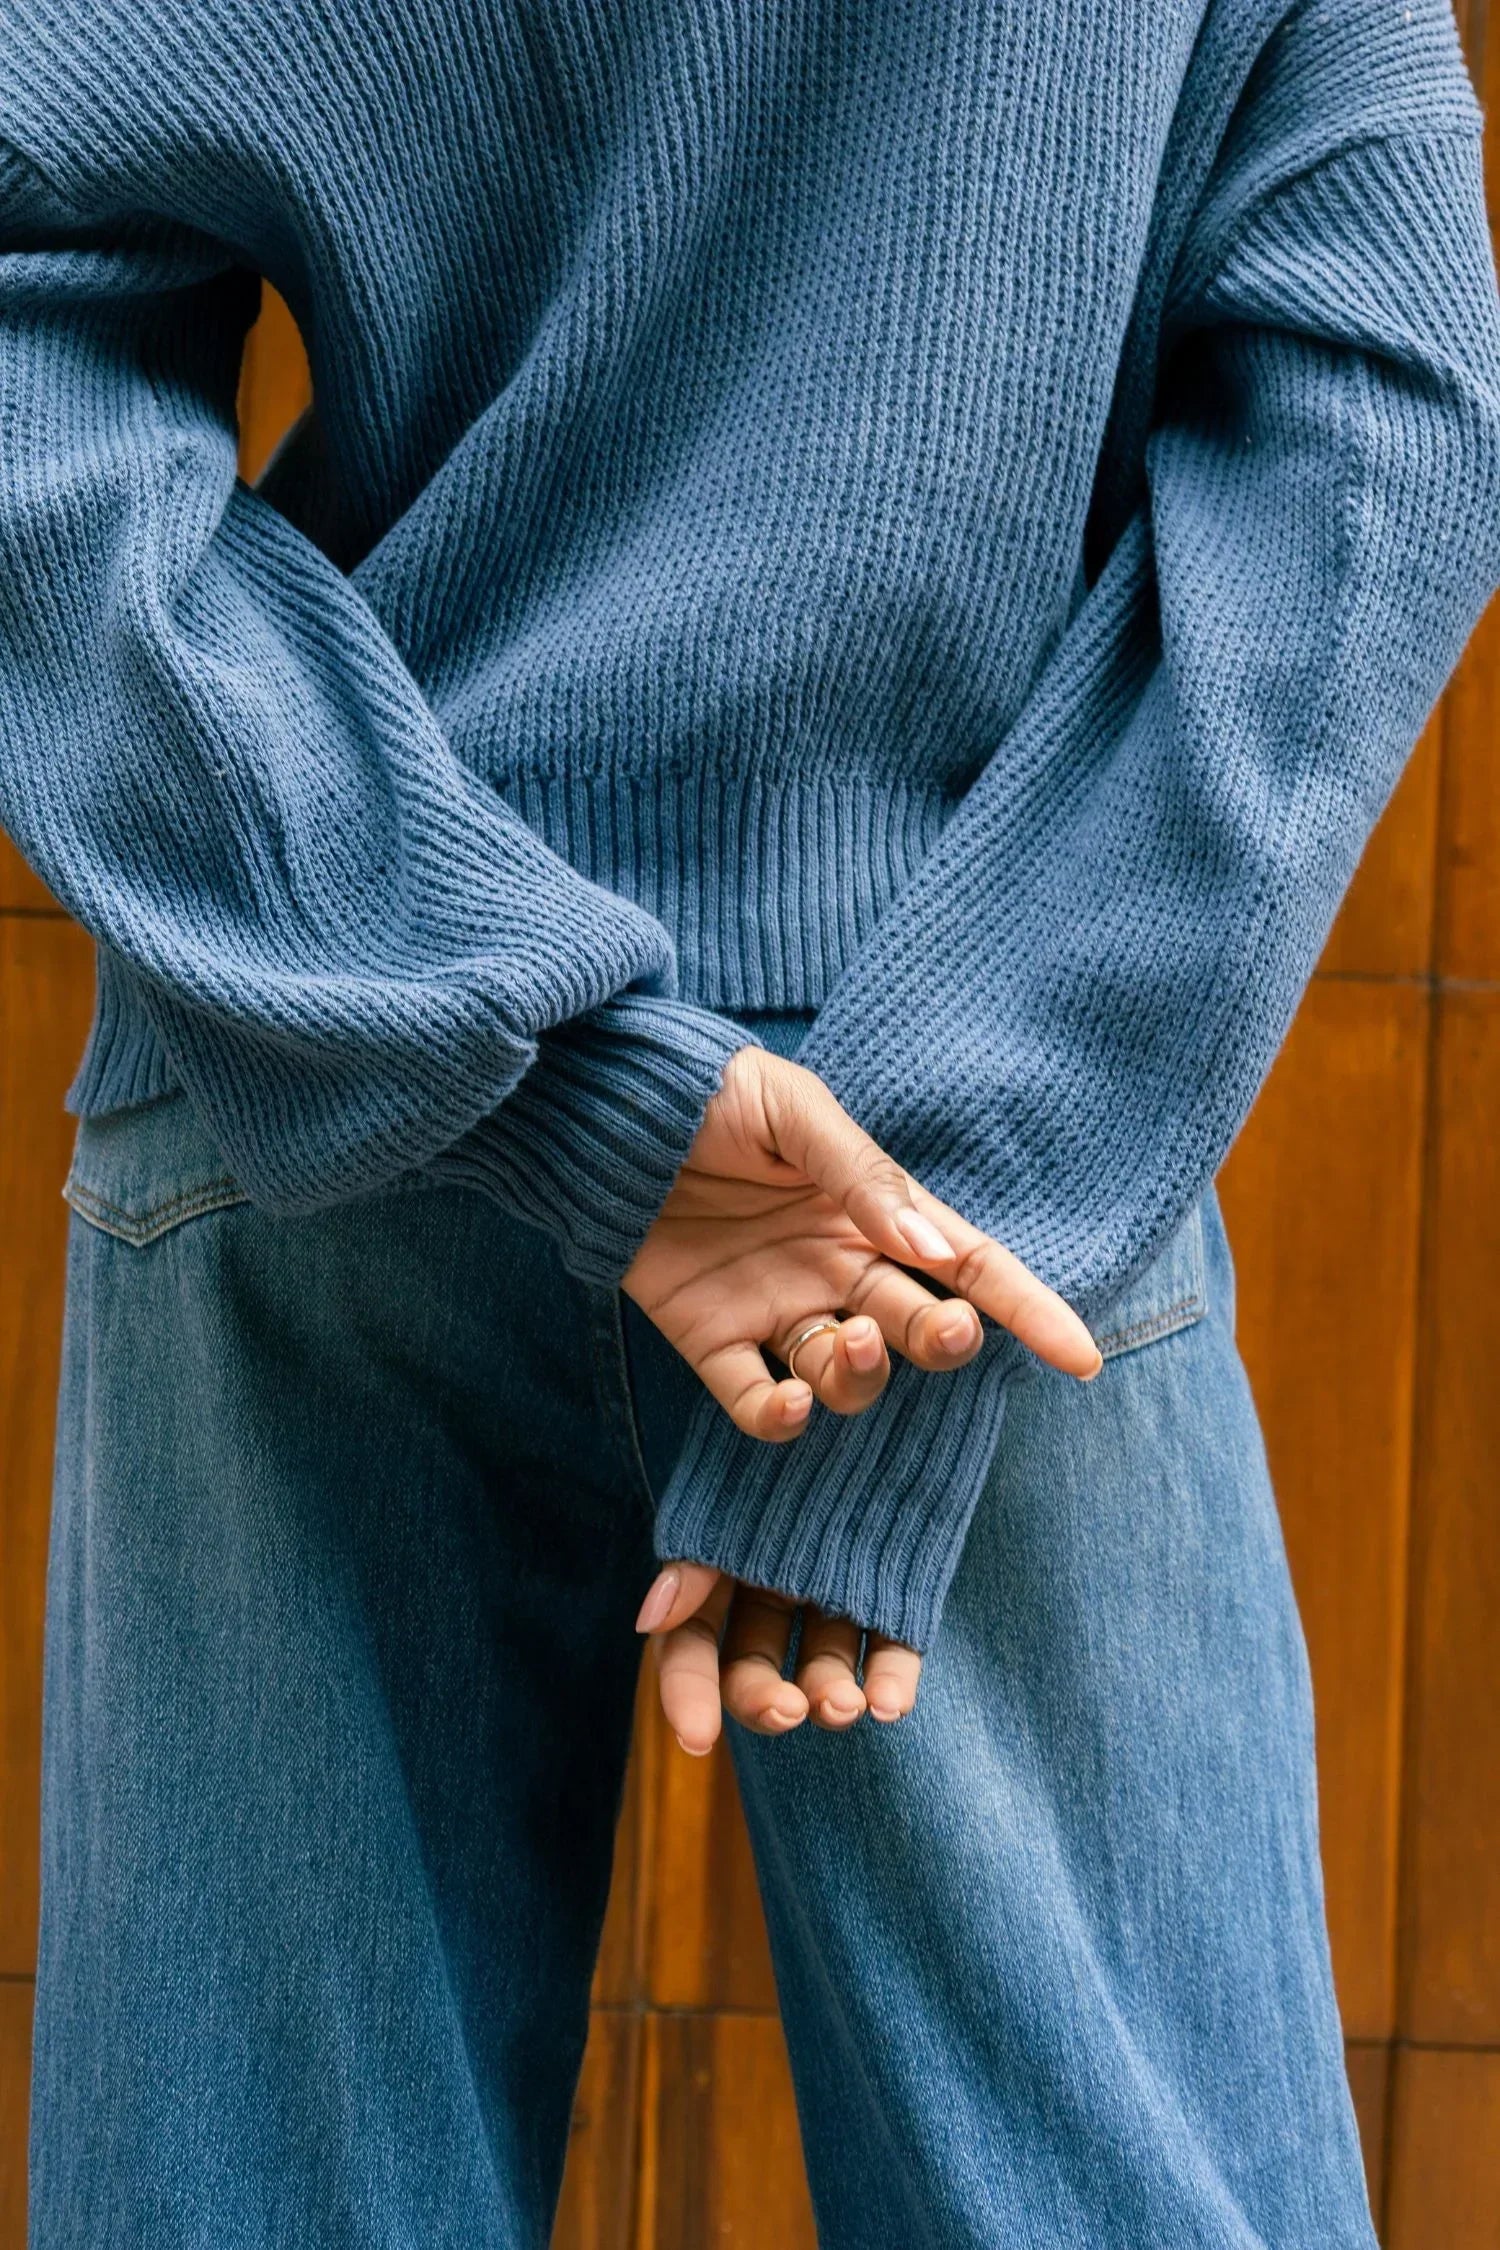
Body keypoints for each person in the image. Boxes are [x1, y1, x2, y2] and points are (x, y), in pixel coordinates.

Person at [1, 0, 1496, 2242]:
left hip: (335, 1072)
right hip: (983, 1153)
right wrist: (963, 1196)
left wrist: (481, 1021)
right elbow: (1383, 409)